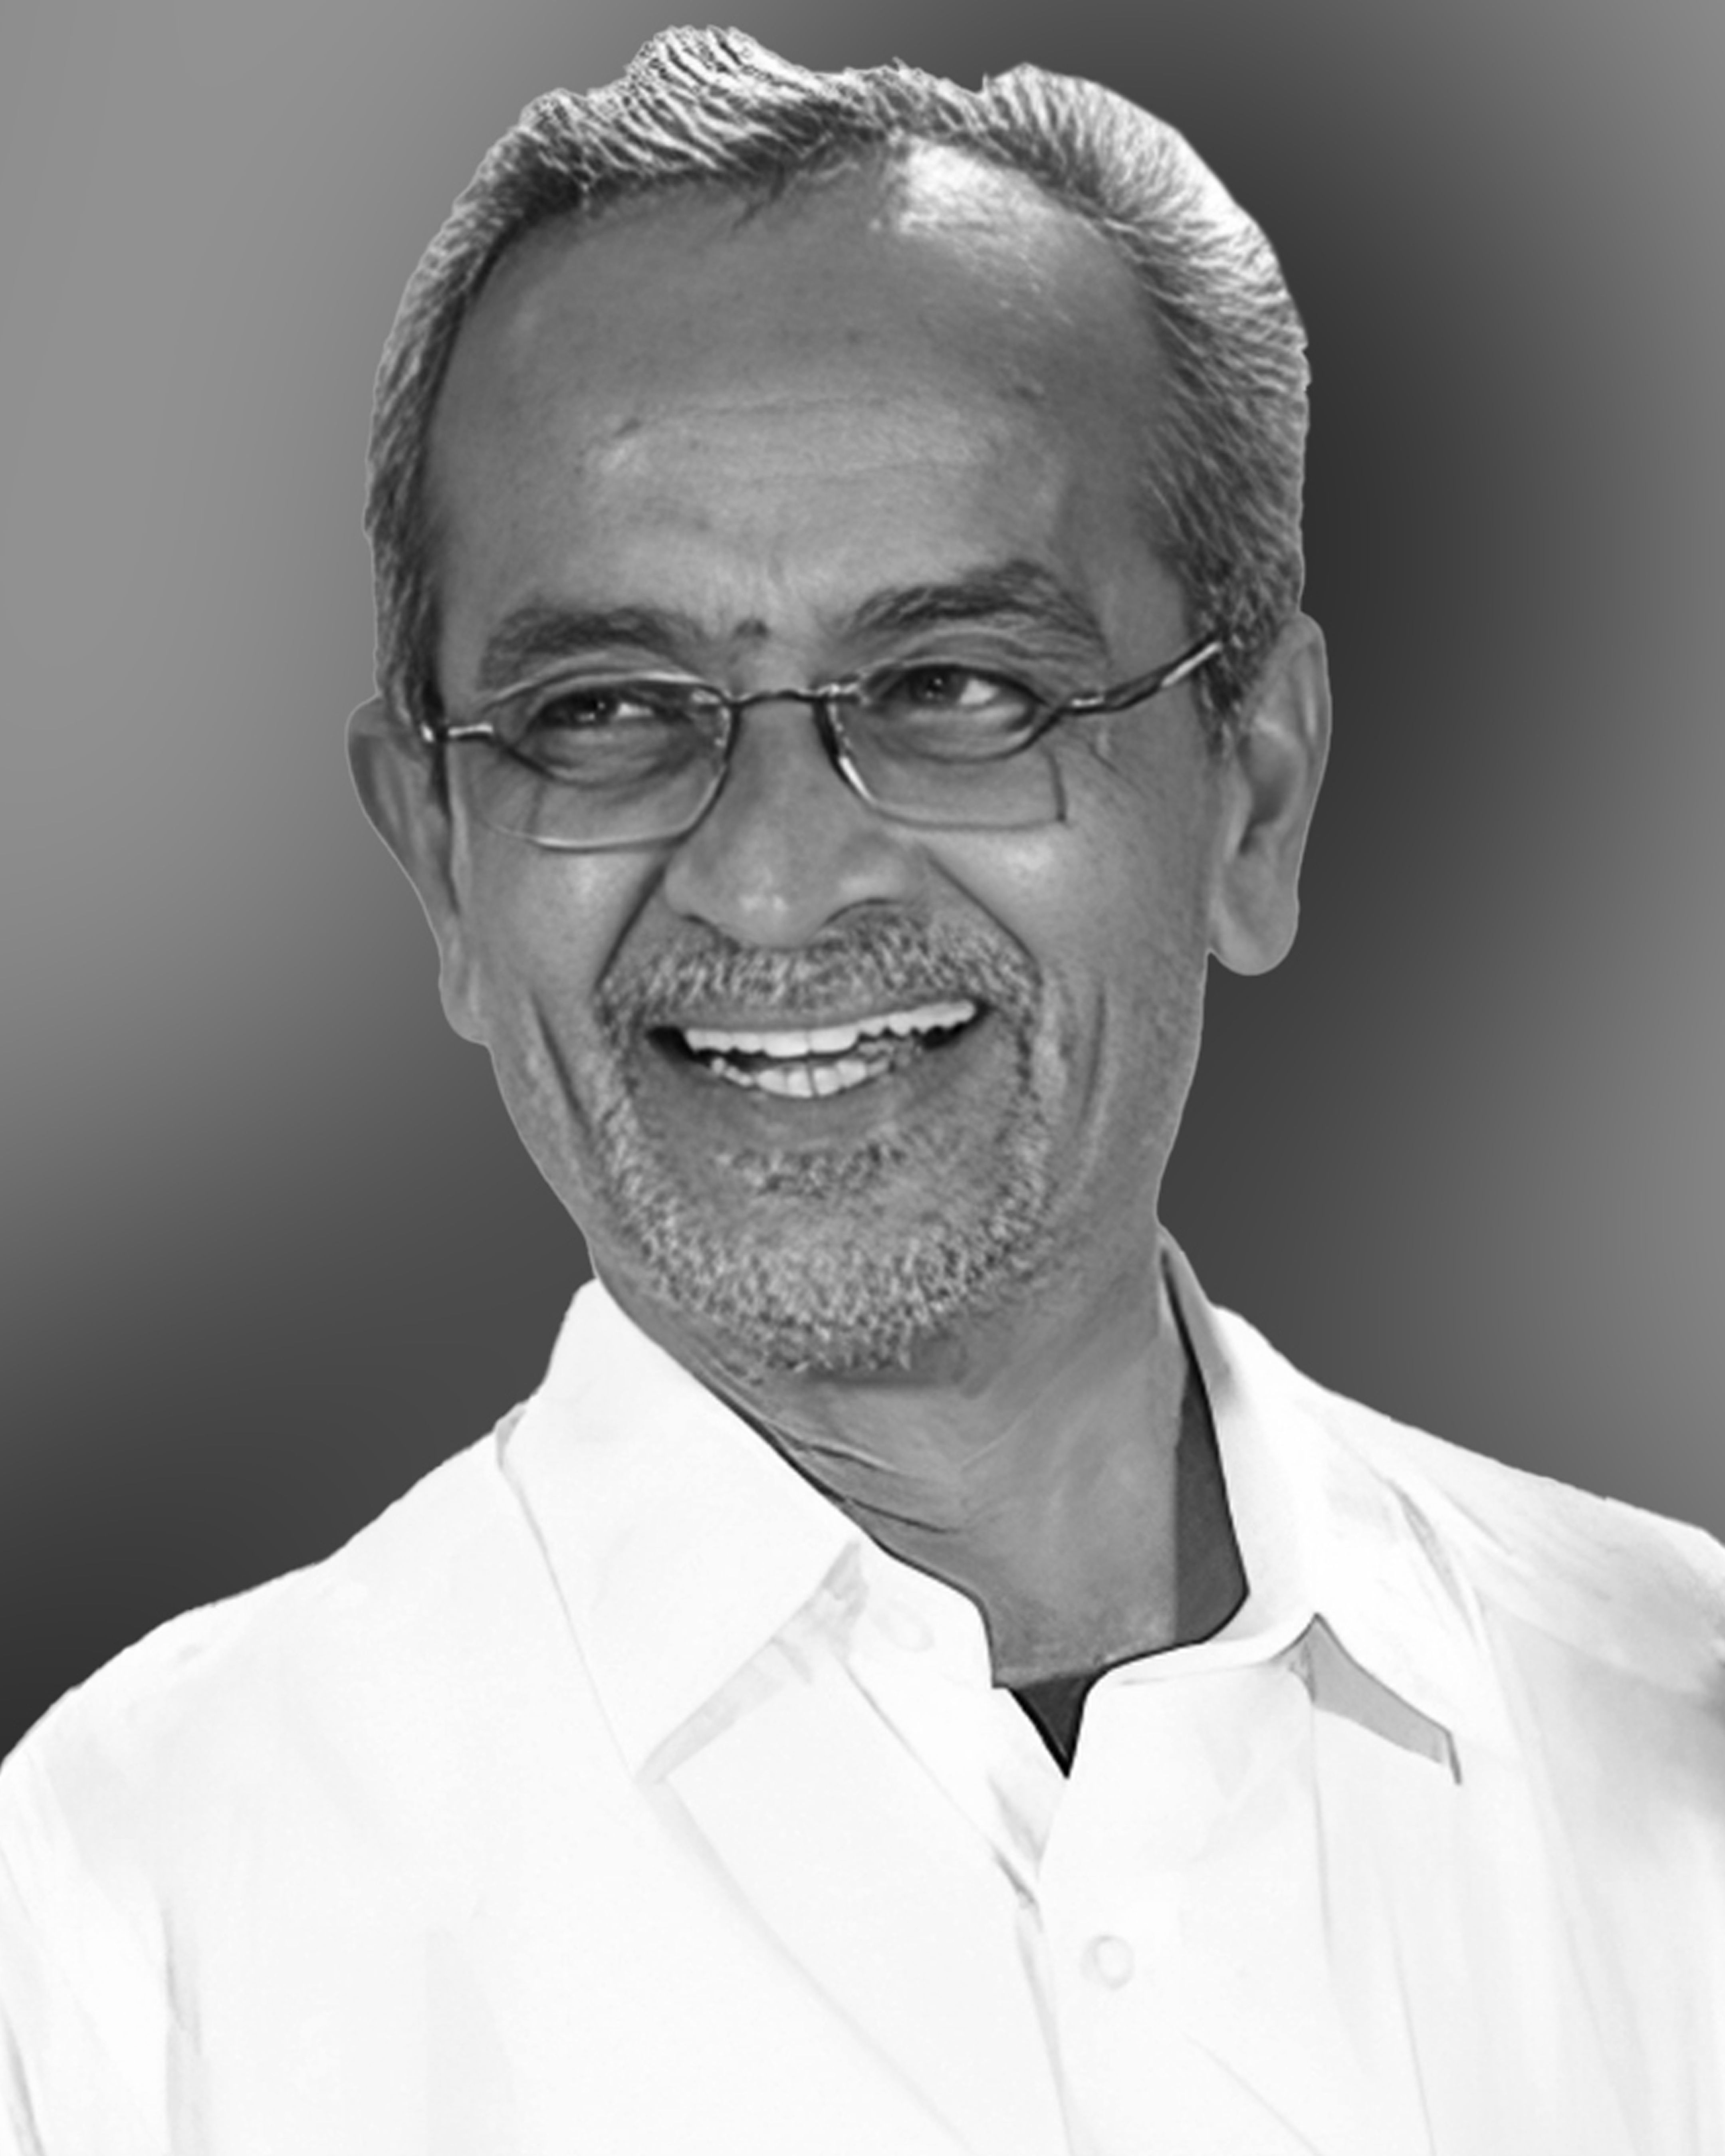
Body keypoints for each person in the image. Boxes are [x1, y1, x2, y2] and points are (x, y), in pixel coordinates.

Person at [2, 25, 1721, 2153]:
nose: (775, 874)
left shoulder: (1682, 1749)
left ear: (1255, 795)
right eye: (606, 708)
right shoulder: (127, 1922)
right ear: (439, 860)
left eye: (955, 687)